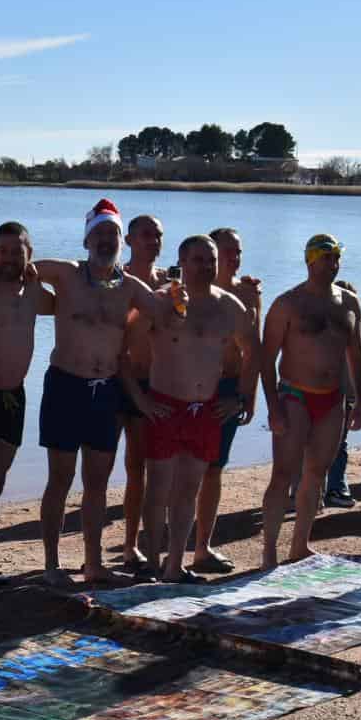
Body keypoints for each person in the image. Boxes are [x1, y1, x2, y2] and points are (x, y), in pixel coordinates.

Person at [27, 199, 158, 585]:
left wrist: (179, 294)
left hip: (107, 391)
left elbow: (170, 311)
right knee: (60, 479)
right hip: (66, 386)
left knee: (97, 483)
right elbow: (22, 266)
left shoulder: (130, 288)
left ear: (122, 240)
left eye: (112, 234)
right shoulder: (67, 274)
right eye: (98, 233)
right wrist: (44, 301)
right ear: (86, 240)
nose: (105, 240)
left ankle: (93, 562)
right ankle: (52, 565)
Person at [121, 236, 256, 582]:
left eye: (210, 260)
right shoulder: (160, 302)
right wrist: (139, 398)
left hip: (206, 409)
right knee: (158, 489)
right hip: (165, 406)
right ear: (182, 261)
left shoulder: (228, 306)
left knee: (188, 490)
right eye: (197, 260)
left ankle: (175, 565)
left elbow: (253, 352)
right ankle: (152, 563)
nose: (206, 267)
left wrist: (240, 396)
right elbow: (122, 348)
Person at [258, 235, 361, 569]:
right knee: (283, 473)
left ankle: (300, 545)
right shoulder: (288, 303)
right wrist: (273, 407)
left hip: (332, 399)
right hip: (294, 395)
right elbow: (266, 358)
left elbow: (357, 354)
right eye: (326, 258)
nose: (332, 265)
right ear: (310, 261)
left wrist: (360, 401)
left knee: (316, 473)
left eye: (336, 258)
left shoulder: (349, 303)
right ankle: (270, 550)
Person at [0, 221, 54, 592]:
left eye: (16, 251)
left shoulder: (35, 292)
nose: (8, 258)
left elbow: (78, 299)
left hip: (14, 396)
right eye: (1, 251)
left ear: (29, 255)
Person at [191, 228, 263, 573]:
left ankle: (202, 547)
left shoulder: (247, 293)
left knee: (213, 469)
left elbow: (255, 351)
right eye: (227, 252)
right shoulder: (188, 291)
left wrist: (246, 397)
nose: (234, 258)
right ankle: (167, 548)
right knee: (181, 468)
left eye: (238, 251)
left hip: (228, 391)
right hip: (190, 387)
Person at [119, 214, 167, 568]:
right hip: (119, 380)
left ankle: (134, 544)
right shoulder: (117, 281)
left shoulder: (169, 283)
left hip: (157, 384)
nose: (153, 241)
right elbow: (116, 342)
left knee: (144, 467)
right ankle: (126, 544)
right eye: (146, 235)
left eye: (158, 236)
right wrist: (135, 394)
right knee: (105, 468)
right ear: (129, 241)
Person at [322, 280, 361, 508]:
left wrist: (359, 386)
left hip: (347, 397)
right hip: (316, 394)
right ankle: (308, 492)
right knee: (310, 444)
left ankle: (336, 487)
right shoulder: (319, 325)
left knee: (339, 443)